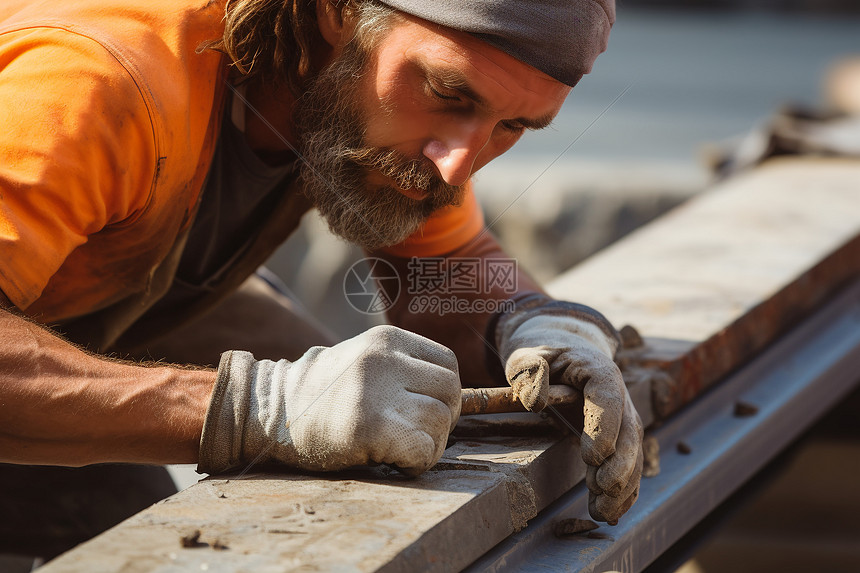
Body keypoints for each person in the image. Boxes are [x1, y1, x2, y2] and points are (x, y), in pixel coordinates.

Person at [0, 0, 642, 557]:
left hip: (81, 306)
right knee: (119, 508)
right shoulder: (102, 83)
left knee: (363, 396)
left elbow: (446, 272)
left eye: (513, 126)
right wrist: (257, 409)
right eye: (451, 94)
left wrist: (531, 323)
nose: (457, 167)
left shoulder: (360, 99)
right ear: (341, 12)